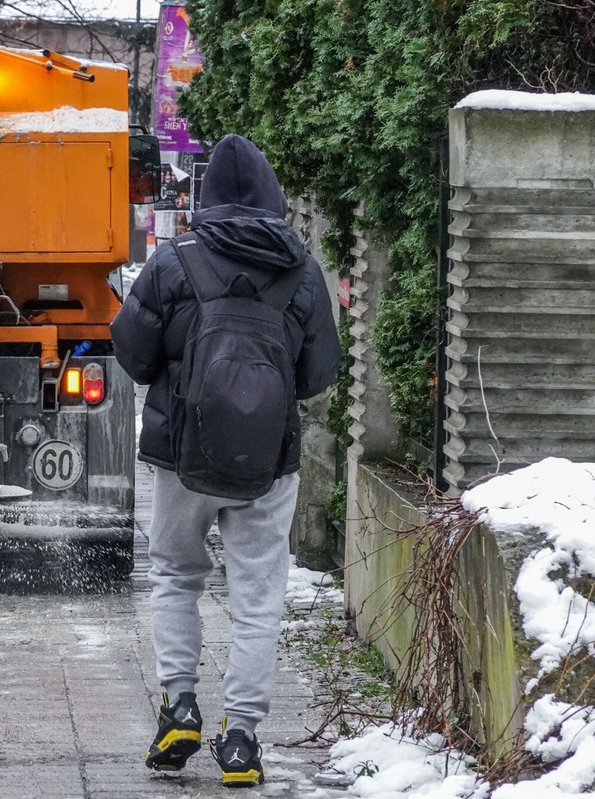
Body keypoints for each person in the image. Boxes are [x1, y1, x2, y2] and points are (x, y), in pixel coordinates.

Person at [110, 134, 341, 787]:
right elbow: (318, 370)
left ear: (204, 199)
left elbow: (133, 351)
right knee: (258, 593)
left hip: (181, 452)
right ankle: (240, 737)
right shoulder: (300, 270)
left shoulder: (174, 260)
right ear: (273, 198)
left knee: (178, 575)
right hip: (270, 461)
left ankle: (179, 706)